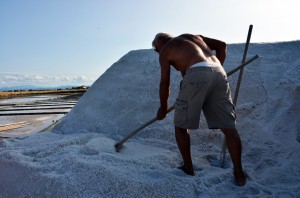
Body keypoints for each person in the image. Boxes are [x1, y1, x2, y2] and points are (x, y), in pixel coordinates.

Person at [152, 32, 247, 186]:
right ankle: (239, 174)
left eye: (156, 48)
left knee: (181, 126)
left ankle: (188, 168)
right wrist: (214, 72)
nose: (157, 52)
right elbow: (222, 45)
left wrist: (163, 107)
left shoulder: (166, 49)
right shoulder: (193, 36)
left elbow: (164, 83)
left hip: (197, 73)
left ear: (162, 40)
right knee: (229, 127)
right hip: (218, 72)